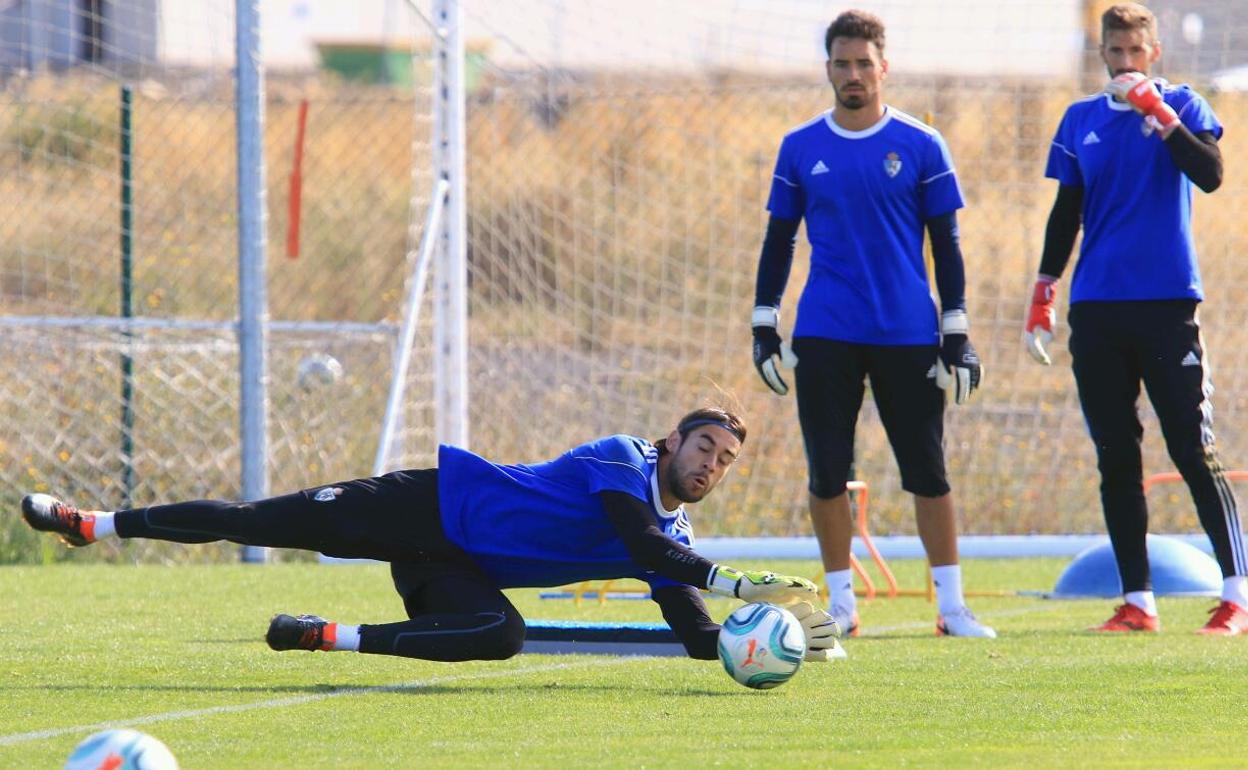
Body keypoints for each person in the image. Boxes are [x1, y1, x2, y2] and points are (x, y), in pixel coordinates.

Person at [20, 407, 845, 661]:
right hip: (428, 506)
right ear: (673, 441)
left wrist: (776, 638)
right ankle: (94, 523)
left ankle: (327, 636)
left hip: (449, 567)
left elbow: (694, 635)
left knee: (500, 635)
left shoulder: (677, 529)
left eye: (727, 461)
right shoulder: (623, 462)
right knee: (257, 521)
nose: (713, 465)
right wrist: (741, 583)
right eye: (706, 447)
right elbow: (641, 545)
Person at [750, 9, 994, 639]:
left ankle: (952, 608)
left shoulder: (920, 144)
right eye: (842, 63)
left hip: (908, 334)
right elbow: (779, 242)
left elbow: (950, 244)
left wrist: (957, 334)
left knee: (929, 474)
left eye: (864, 63)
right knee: (826, 472)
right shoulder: (800, 147)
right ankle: (841, 607)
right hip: (825, 332)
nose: (853, 74)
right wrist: (763, 325)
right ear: (827, 68)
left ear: (884, 67)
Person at [1024, 3, 1246, 634]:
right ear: (1103, 56)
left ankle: (1237, 596)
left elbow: (1211, 175)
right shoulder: (1080, 120)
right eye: (1114, 53)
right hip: (1096, 310)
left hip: (1168, 306)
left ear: (1153, 52)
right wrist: (1045, 288)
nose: (1125, 64)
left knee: (1191, 448)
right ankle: (1138, 601)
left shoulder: (1184, 107)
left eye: (1134, 52)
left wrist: (1162, 116)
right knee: (1115, 455)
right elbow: (1066, 211)